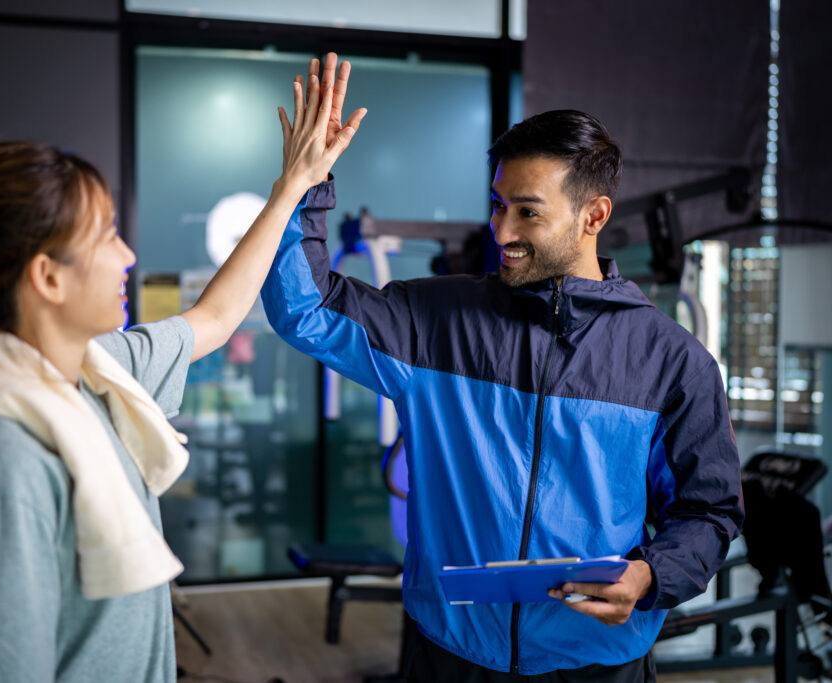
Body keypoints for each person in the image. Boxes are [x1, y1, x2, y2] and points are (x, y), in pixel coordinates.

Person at [0, 60, 364, 682]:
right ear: (47, 277)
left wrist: (294, 185)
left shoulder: (102, 368)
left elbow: (216, 317)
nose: (128, 256)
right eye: (107, 236)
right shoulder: (0, 469)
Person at [261, 60, 743, 682]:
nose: (502, 230)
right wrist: (306, 182)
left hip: (594, 661)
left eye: (528, 212)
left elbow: (709, 513)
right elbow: (305, 308)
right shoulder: (432, 320)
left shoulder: (673, 362)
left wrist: (651, 575)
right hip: (449, 656)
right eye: (497, 205)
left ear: (594, 216)